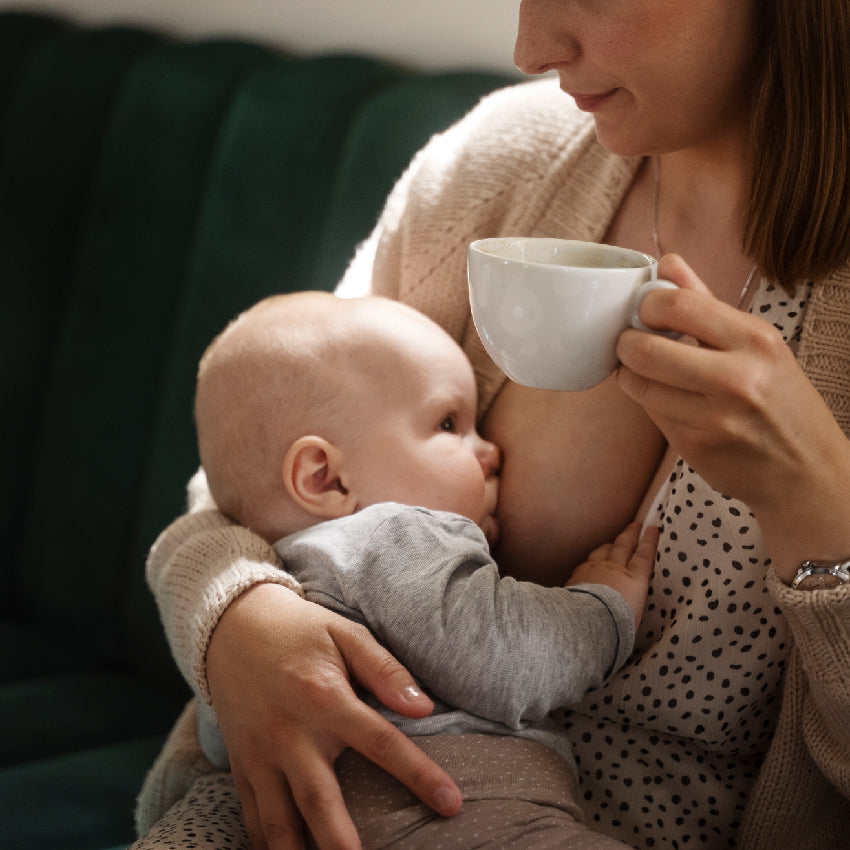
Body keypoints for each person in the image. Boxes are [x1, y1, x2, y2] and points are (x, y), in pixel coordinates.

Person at [136, 2, 850, 849]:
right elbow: (259, 447)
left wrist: (816, 497)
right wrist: (237, 614)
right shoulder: (502, 161)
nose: (530, 48)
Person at [167, 289, 657, 848]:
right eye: (450, 424)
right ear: (326, 478)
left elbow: (215, 743)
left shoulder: (268, 585)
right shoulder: (392, 537)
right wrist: (603, 606)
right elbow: (507, 660)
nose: (490, 450)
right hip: (462, 816)